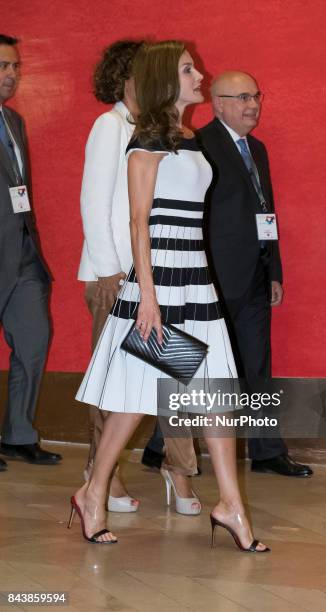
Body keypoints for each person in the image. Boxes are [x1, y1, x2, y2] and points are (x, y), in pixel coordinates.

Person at [72, 40, 269, 552]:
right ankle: (93, 492)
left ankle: (230, 505)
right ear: (165, 77)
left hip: (195, 281)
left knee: (214, 396)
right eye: (187, 69)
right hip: (159, 284)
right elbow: (140, 222)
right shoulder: (146, 138)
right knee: (137, 399)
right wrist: (148, 298)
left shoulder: (187, 136)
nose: (199, 74)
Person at [196, 71, 313, 477]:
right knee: (199, 365)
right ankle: (164, 445)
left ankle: (266, 451)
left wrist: (275, 269)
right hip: (214, 278)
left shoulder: (257, 149)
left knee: (258, 365)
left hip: (256, 276)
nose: (253, 105)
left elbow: (268, 211)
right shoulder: (200, 146)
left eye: (257, 96)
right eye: (243, 97)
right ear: (219, 103)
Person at [78, 39, 142, 512]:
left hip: (142, 276)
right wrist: (108, 270)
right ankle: (100, 476)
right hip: (112, 275)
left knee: (134, 380)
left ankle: (106, 471)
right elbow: (93, 201)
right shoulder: (110, 124)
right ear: (125, 77)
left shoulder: (144, 126)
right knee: (109, 382)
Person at [0, 34, 60, 470]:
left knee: (34, 342)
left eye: (16, 66)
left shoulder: (13, 121)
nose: (12, 74)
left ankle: (19, 434)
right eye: (4, 65)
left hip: (22, 254)